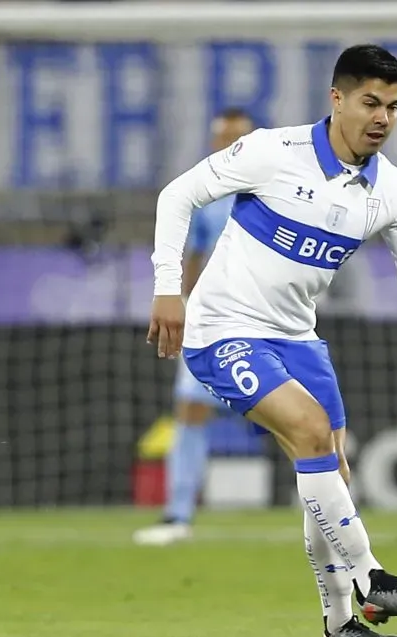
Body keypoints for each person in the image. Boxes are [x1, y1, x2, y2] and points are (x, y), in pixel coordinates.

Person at [148, 45, 397, 637]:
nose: (382, 117)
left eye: (393, 106)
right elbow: (177, 195)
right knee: (309, 431)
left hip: (297, 335)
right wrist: (167, 290)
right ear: (337, 99)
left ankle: (340, 627)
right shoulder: (272, 153)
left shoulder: (394, 194)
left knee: (331, 469)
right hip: (221, 328)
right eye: (370, 103)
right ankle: (371, 578)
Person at [133, 109, 256, 547]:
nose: (229, 145)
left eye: (237, 138)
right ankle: (177, 516)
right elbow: (194, 260)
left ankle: (329, 509)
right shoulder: (204, 198)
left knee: (295, 417)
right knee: (190, 410)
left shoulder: (275, 193)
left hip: (265, 318)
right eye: (223, 138)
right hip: (210, 318)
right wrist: (183, 306)